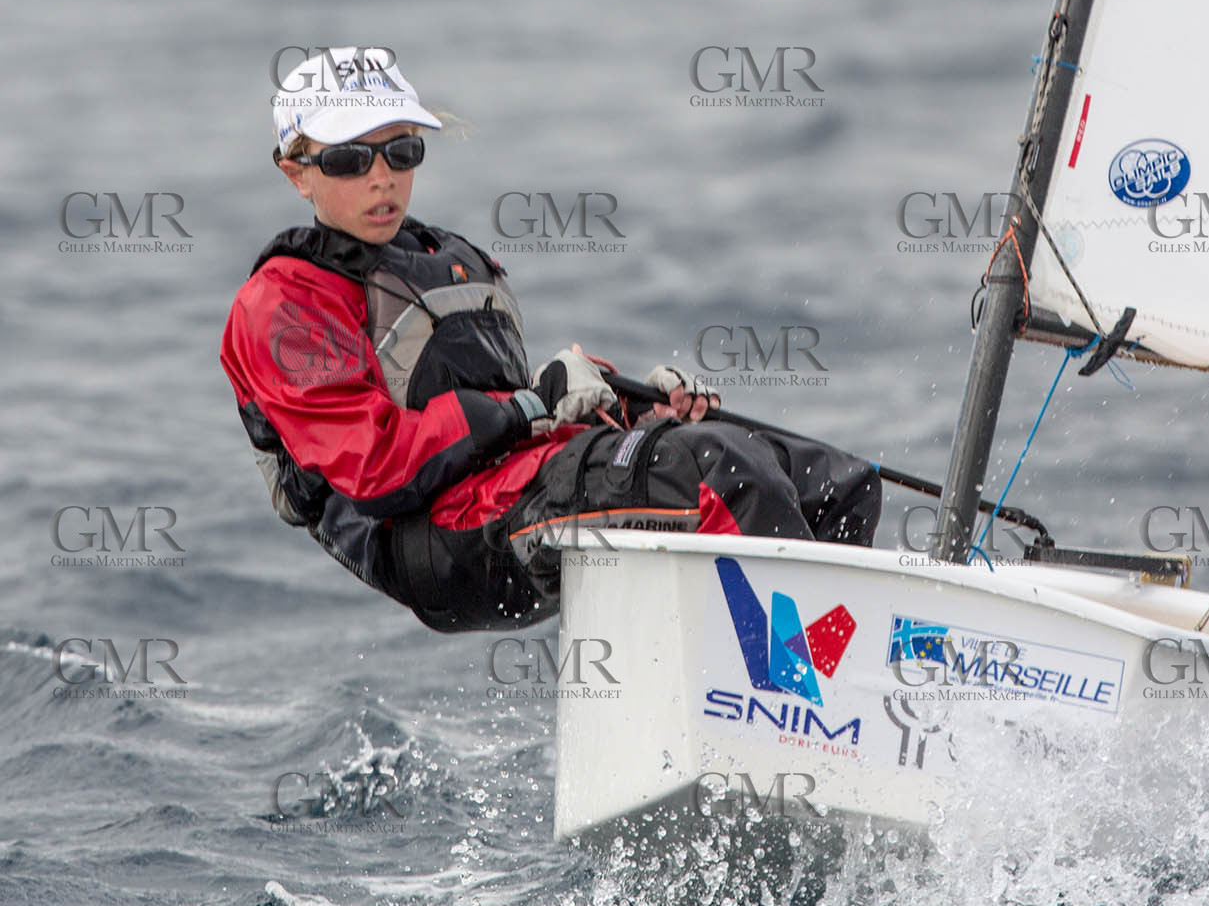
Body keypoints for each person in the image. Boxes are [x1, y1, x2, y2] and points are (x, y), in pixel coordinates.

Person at [220, 47, 880, 632]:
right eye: (348, 158)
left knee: (830, 478)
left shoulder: (442, 257)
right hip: (442, 538)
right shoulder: (284, 302)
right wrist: (532, 404)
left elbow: (519, 410)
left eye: (402, 150)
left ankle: (849, 663)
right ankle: (806, 693)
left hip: (518, 485)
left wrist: (633, 411)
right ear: (296, 173)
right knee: (719, 471)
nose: (382, 175)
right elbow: (377, 468)